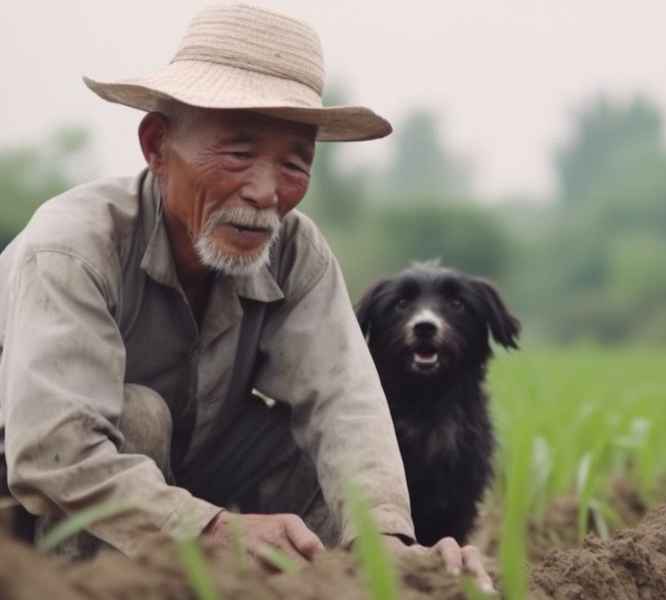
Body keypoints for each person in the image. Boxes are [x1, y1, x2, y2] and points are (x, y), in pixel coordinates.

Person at [0, 2, 492, 591]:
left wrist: (386, 541)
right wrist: (215, 530)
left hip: (185, 473)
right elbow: (54, 452)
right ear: (157, 145)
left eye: (293, 164)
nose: (265, 192)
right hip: (29, 507)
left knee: (317, 456)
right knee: (140, 416)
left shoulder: (295, 250)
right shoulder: (74, 245)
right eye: (238, 153)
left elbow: (343, 402)